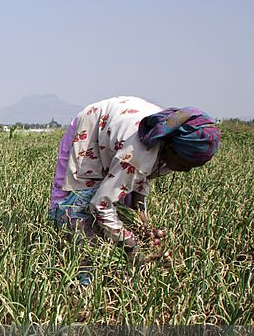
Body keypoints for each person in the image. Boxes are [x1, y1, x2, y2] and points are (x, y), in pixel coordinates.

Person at [48, 96, 220, 264]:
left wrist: (141, 220)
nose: (187, 170)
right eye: (186, 163)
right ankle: (83, 271)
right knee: (79, 207)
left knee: (120, 212)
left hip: (122, 127)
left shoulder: (168, 137)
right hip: (93, 126)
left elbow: (141, 179)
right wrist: (131, 246)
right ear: (171, 148)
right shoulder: (138, 156)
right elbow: (100, 204)